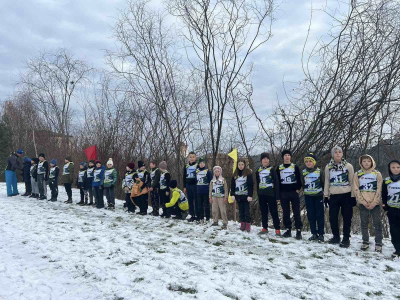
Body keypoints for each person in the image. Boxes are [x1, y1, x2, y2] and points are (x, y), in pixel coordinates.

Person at [324, 145, 355, 248]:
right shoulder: (328, 167)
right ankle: (336, 236)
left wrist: (353, 196)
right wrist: (325, 196)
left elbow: (352, 181)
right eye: (335, 152)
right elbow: (327, 182)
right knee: (332, 218)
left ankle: (346, 238)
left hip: (346, 195)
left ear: (342, 154)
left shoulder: (348, 166)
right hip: (334, 195)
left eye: (339, 152)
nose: (338, 154)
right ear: (333, 155)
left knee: (347, 218)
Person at [353, 154, 383, 252]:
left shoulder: (377, 173)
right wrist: (362, 201)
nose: (366, 163)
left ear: (372, 162)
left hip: (375, 203)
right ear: (361, 162)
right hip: (363, 203)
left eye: (368, 161)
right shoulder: (358, 174)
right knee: (364, 223)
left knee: (377, 223)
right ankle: (365, 241)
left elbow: (379, 189)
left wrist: (375, 202)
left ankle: (378, 242)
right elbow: (356, 189)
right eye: (364, 161)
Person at [276, 150, 303, 239]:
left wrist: (298, 188)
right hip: (283, 192)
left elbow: (299, 178)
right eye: (285, 155)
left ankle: (298, 230)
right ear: (283, 157)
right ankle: (288, 229)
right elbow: (277, 181)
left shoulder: (295, 167)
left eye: (288, 155)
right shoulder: (279, 168)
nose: (287, 157)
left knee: (296, 212)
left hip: (293, 192)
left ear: (290, 157)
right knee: (286, 212)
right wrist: (278, 194)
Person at [301, 153, 325, 242]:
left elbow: (323, 183)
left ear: (314, 162)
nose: (308, 163)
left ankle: (321, 234)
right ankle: (314, 233)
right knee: (311, 215)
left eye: (310, 161)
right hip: (308, 196)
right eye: (306, 161)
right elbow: (303, 184)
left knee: (320, 215)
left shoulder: (319, 171)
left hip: (318, 196)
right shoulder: (303, 172)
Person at [256, 152, 281, 236]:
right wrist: (258, 193)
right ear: (261, 160)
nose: (265, 160)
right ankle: (264, 227)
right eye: (264, 159)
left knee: (274, 212)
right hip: (262, 194)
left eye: (267, 159)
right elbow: (257, 183)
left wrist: (277, 196)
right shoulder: (258, 170)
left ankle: (277, 229)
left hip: (271, 194)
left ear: (269, 160)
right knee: (263, 212)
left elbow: (276, 183)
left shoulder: (272, 170)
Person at [382, 160, 400, 258]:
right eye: (393, 167)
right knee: (394, 230)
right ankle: (398, 249)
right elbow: (384, 195)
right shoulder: (386, 180)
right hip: (392, 209)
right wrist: (385, 206)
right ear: (389, 168)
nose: (396, 169)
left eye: (398, 167)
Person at [231, 159, 254, 232]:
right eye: (239, 165)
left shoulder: (248, 173)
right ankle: (242, 224)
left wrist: (250, 195)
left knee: (246, 211)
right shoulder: (235, 174)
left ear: (244, 165)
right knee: (241, 211)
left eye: (242, 164)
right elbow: (232, 185)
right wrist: (232, 194)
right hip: (238, 196)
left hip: (246, 196)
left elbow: (251, 185)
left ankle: (247, 225)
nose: (240, 166)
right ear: (237, 165)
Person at [196, 158, 212, 224]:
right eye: (200, 163)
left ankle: (208, 218)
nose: (201, 164)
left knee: (206, 205)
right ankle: (201, 217)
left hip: (205, 191)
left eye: (202, 163)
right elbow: (195, 180)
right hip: (199, 191)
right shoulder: (196, 171)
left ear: (204, 164)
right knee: (200, 205)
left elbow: (210, 180)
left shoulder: (207, 171)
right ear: (199, 164)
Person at [183, 152, 198, 222]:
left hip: (195, 185)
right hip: (188, 185)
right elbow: (184, 177)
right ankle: (192, 215)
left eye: (193, 157)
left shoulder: (197, 166)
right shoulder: (186, 166)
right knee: (190, 201)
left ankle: (198, 215)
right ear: (188, 158)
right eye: (190, 157)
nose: (192, 158)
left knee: (196, 201)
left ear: (195, 158)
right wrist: (184, 186)